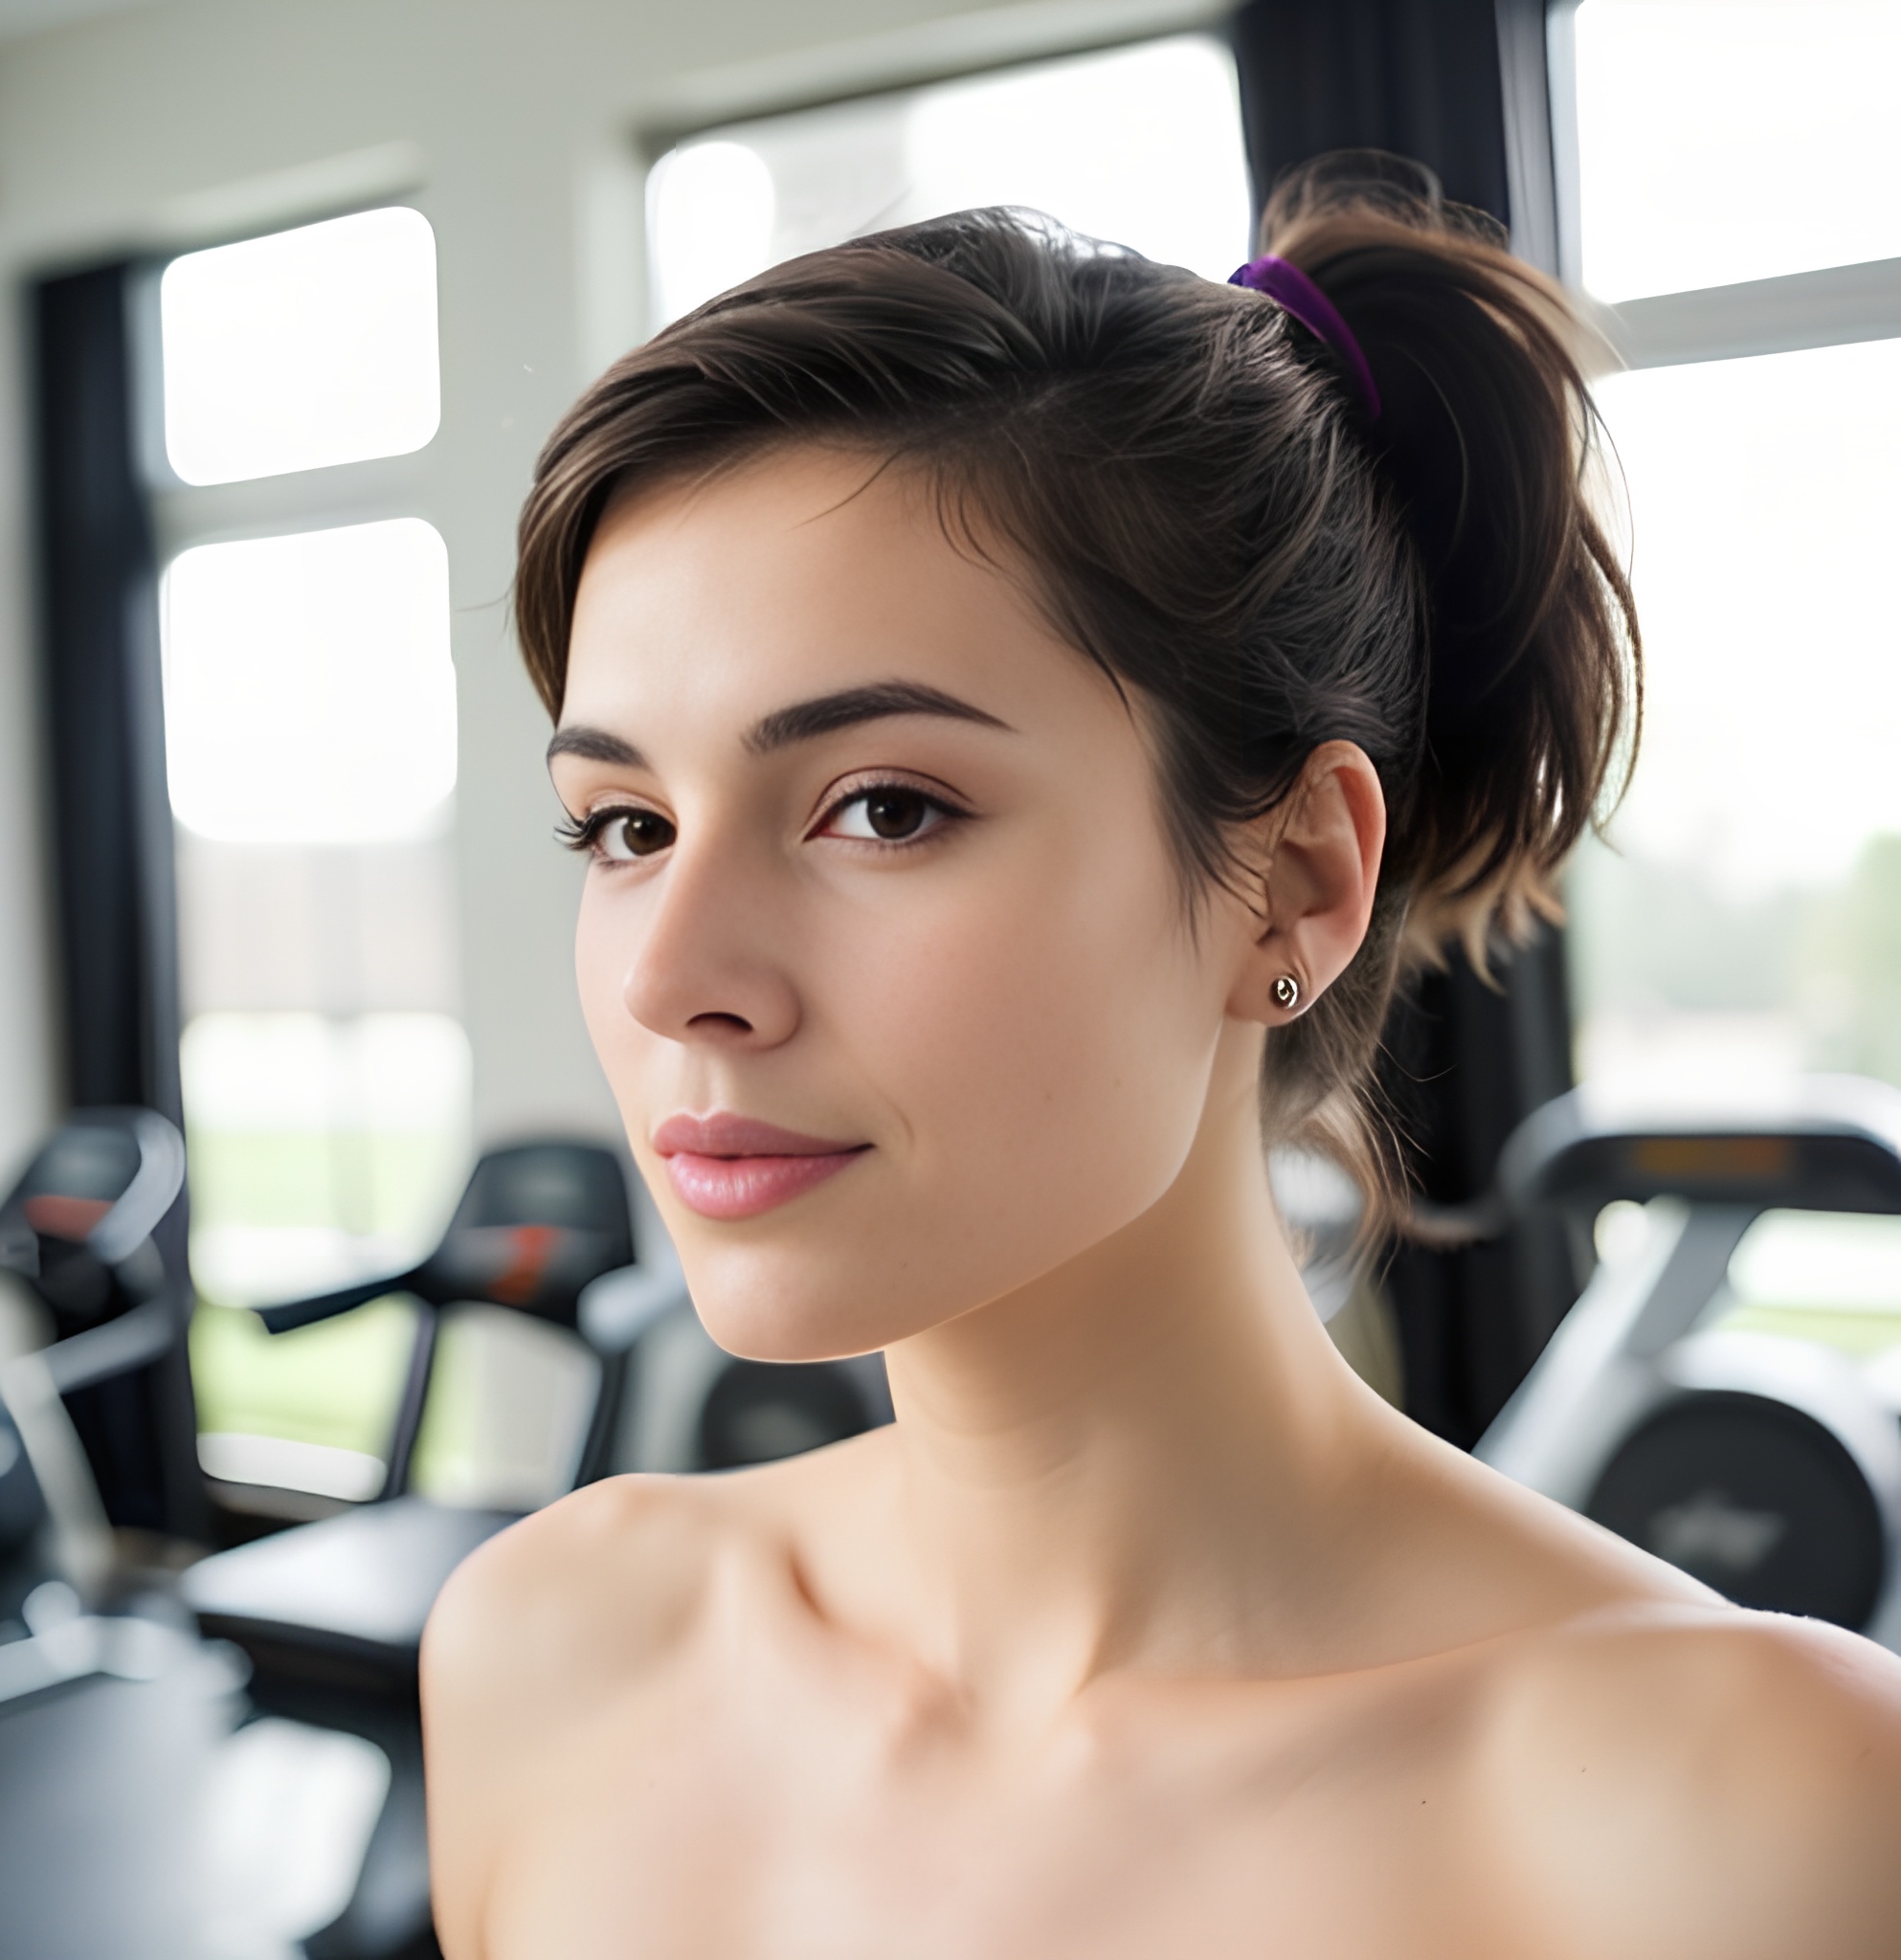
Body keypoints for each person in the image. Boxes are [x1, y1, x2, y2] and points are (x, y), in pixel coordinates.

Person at [422, 154, 1901, 1957]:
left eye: (882, 807)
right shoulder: (552, 1653)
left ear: (1294, 878)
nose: (673, 979)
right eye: (626, 826)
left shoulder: (1746, 1817)